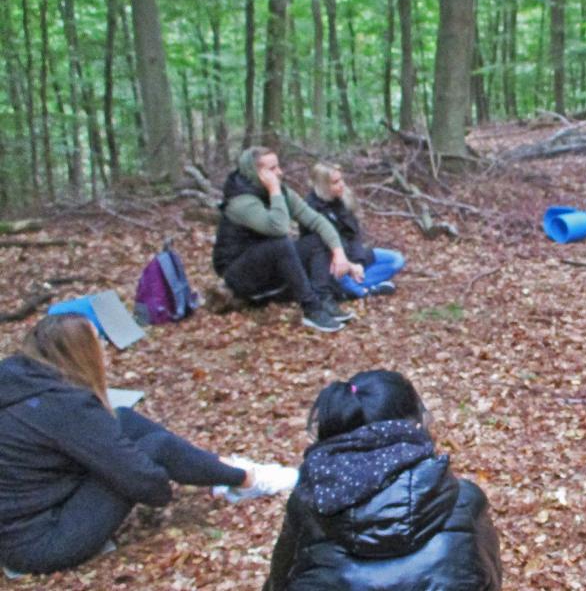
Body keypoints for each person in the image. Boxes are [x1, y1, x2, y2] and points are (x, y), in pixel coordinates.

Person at [0, 315, 298, 575]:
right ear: (78, 353)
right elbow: (144, 481)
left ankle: (221, 468)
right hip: (40, 542)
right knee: (153, 448)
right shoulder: (65, 406)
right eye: (99, 341)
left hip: (24, 525)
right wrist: (162, 481)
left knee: (123, 419)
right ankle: (248, 480)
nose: (104, 348)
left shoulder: (22, 384)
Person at [264, 370, 502, 590]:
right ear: (415, 422)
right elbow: (489, 581)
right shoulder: (464, 501)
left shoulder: (307, 504)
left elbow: (278, 583)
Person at [210, 147, 354, 333]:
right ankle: (312, 310)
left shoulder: (280, 192)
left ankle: (323, 299)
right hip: (239, 274)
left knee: (316, 240)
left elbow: (316, 220)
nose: (280, 172)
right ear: (256, 172)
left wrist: (339, 252)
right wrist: (274, 190)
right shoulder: (241, 201)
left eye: (278, 166)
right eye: (272, 169)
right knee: (280, 243)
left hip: (269, 265)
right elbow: (278, 228)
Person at [300, 163, 405, 299]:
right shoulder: (310, 208)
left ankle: (358, 287)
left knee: (396, 259)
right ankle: (360, 290)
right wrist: (349, 267)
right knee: (338, 275)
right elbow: (320, 248)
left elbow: (354, 235)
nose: (342, 184)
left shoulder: (342, 200)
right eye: (335, 182)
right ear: (323, 185)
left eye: (341, 180)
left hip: (352, 255)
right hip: (331, 262)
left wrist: (358, 263)